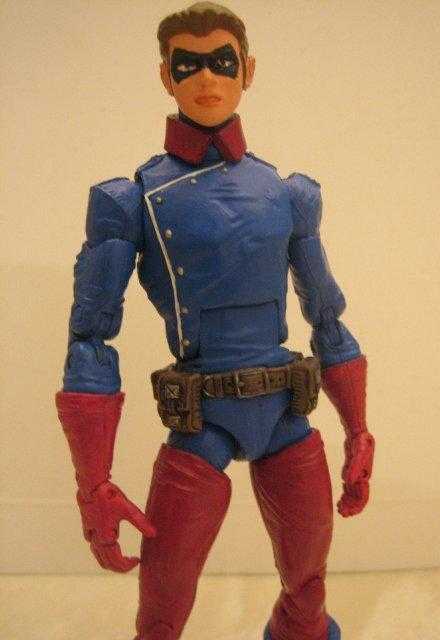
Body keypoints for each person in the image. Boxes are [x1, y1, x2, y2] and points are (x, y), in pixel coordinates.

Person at [55, 3, 375, 639]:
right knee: (165, 590)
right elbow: (90, 339)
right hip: (202, 422)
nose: (207, 78)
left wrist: (358, 430)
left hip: (285, 413)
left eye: (222, 62)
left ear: (248, 71)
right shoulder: (131, 200)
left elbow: (327, 318)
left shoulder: (287, 193)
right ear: (165, 75)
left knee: (308, 584)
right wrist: (93, 483)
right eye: (188, 64)